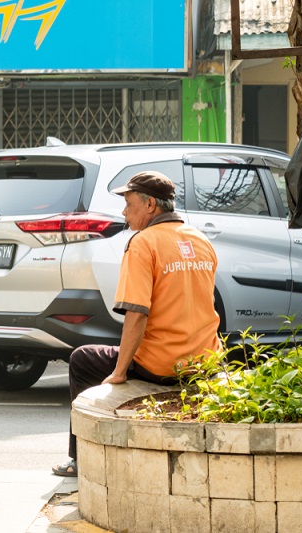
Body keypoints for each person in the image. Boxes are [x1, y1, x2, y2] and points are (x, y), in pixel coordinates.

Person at [52, 170, 221, 477]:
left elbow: (137, 315)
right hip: (205, 361)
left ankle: (78, 458)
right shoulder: (201, 240)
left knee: (82, 360)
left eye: (128, 204)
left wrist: (119, 372)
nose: (124, 212)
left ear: (150, 206)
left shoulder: (143, 243)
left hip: (162, 366)